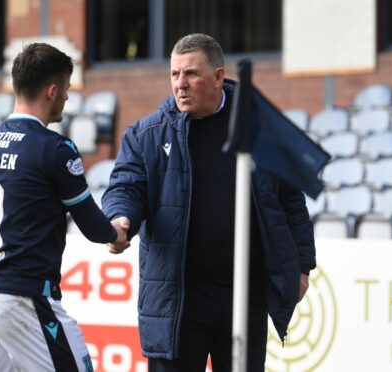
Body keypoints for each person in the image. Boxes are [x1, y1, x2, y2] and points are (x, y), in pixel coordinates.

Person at [102, 34, 316, 372]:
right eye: (174, 74)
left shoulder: (257, 130)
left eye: (191, 74)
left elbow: (290, 201)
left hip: (244, 296)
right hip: (178, 299)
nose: (180, 85)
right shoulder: (145, 135)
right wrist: (120, 219)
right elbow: (126, 186)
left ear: (218, 77)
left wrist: (303, 266)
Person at [0, 43, 129, 372]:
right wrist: (116, 233)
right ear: (52, 91)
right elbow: (93, 226)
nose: (67, 99)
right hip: (24, 296)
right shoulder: (55, 149)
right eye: (66, 90)